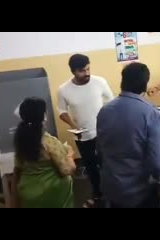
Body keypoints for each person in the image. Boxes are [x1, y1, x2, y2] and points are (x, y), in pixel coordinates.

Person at [97, 62, 160, 208]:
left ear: (122, 82)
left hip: (111, 185)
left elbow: (100, 149)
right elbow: (159, 162)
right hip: (139, 191)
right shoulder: (151, 114)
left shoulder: (104, 110)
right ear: (145, 84)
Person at [57, 54, 114, 208]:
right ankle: (97, 194)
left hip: (103, 132)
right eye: (82, 71)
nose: (87, 73)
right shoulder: (63, 90)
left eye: (88, 69)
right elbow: (61, 110)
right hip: (82, 135)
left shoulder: (99, 82)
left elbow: (111, 101)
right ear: (73, 71)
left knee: (107, 164)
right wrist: (72, 124)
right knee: (90, 166)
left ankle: (112, 194)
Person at [13, 97, 76, 208]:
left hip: (27, 192)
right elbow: (67, 170)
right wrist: (70, 154)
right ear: (43, 116)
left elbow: (17, 168)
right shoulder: (49, 142)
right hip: (52, 192)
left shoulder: (20, 140)